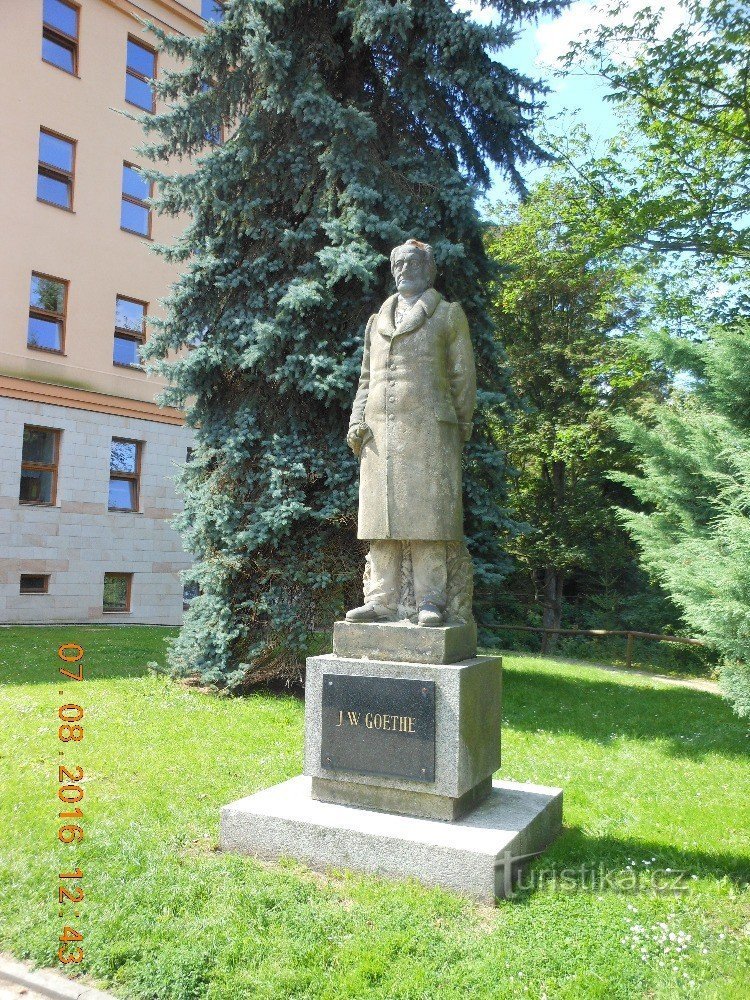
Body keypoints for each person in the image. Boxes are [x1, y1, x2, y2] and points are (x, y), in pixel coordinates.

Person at [345, 239, 476, 627]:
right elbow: (366, 378)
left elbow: (462, 377)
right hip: (379, 433)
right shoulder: (376, 321)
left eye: (414, 262)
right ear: (392, 270)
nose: (406, 269)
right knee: (379, 521)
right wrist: (357, 420)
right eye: (399, 264)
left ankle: (430, 601)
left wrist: (458, 429)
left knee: (428, 519)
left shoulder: (448, 314)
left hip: (430, 432)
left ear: (429, 268)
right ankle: (381, 601)